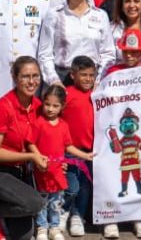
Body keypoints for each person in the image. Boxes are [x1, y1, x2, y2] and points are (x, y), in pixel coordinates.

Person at [0, 56, 48, 240]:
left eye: (35, 76)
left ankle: (3, 202)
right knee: (35, 203)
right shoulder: (3, 107)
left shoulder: (39, 106)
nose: (31, 82)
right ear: (15, 78)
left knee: (23, 236)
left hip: (19, 171)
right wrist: (31, 157)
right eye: (25, 76)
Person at [27, 85, 92, 240]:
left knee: (56, 201)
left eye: (55, 106)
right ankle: (42, 227)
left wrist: (85, 155)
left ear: (62, 106)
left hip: (57, 172)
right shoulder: (38, 123)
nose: (50, 109)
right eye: (47, 104)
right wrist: (38, 157)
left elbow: (68, 146)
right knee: (42, 200)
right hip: (41, 170)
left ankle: (54, 227)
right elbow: (30, 142)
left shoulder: (63, 125)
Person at [38, 0, 116, 84]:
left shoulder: (101, 16)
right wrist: (54, 81)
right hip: (62, 78)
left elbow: (108, 53)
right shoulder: (54, 14)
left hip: (92, 79)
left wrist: (99, 81)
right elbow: (45, 54)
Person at [61, 57, 96, 238]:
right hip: (70, 150)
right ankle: (63, 211)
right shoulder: (66, 94)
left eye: (91, 75)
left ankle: (78, 216)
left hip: (90, 151)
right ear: (73, 75)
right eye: (83, 75)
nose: (88, 79)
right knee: (71, 186)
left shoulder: (98, 94)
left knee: (85, 187)